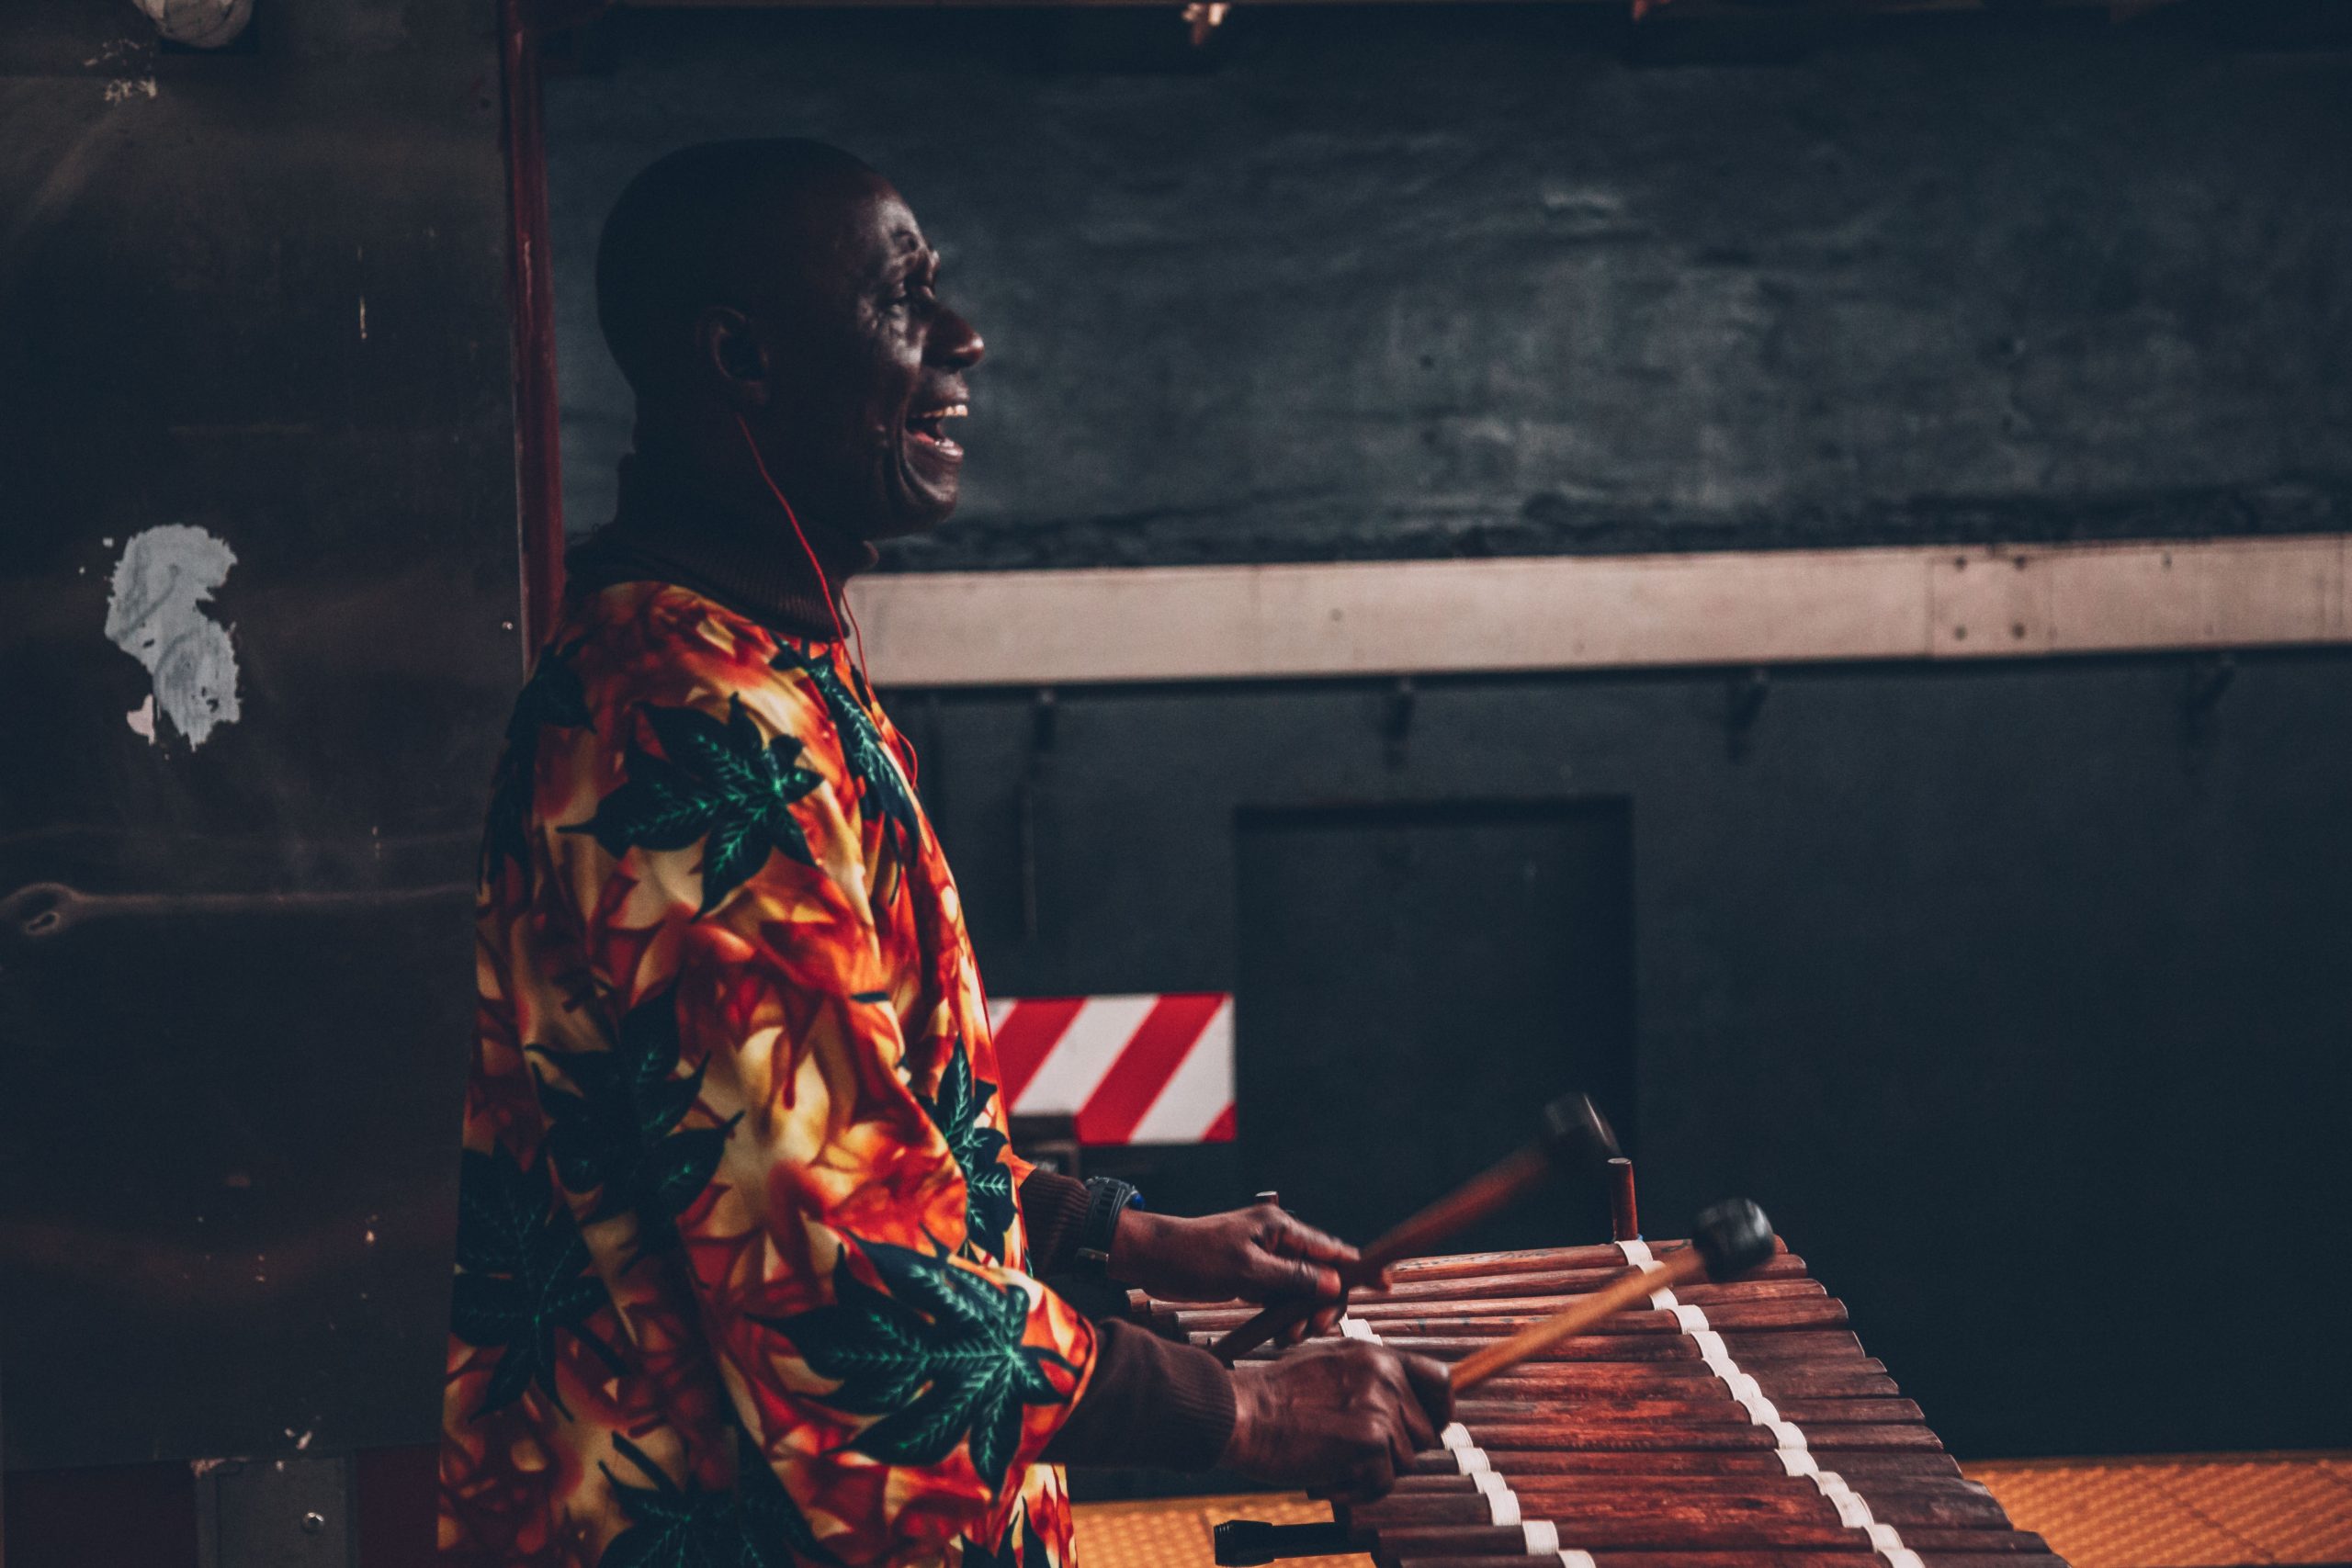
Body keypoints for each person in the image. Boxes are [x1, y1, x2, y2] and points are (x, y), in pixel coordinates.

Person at [439, 138, 1452, 1568]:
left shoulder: (770, 672)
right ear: (743, 357)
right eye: (904, 298)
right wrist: (1246, 1411)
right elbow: (837, 1278)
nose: (962, 340)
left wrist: (1115, 1240)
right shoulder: (683, 730)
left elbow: (843, 1136)